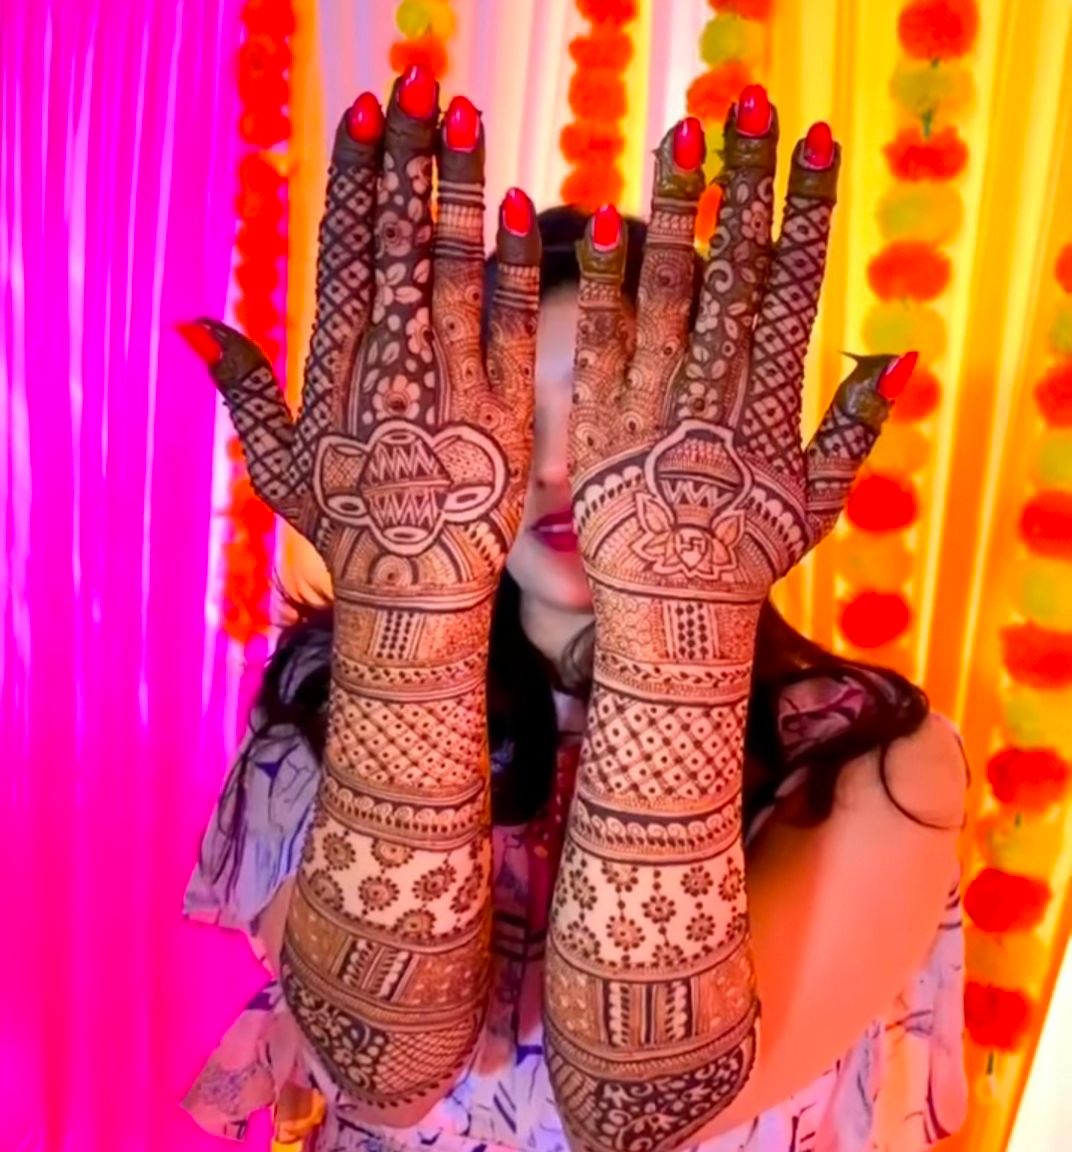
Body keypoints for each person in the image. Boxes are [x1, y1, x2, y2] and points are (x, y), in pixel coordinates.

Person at [179, 67, 968, 1152]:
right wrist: (407, 626)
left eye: (611, 424)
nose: (558, 471)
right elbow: (383, 1076)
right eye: (516, 425)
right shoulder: (325, 697)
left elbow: (636, 1112)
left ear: (722, 439)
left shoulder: (877, 756)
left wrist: (675, 630)